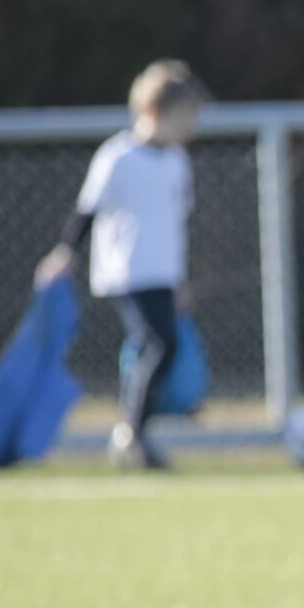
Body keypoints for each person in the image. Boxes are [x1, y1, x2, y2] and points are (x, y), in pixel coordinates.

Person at [36, 60, 205, 471]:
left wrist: (180, 278)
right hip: (128, 272)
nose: (190, 128)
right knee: (161, 344)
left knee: (158, 347)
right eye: (184, 118)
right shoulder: (118, 156)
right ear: (155, 113)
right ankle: (131, 433)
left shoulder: (176, 163)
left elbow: (176, 223)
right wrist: (65, 252)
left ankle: (133, 433)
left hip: (162, 273)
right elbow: (88, 210)